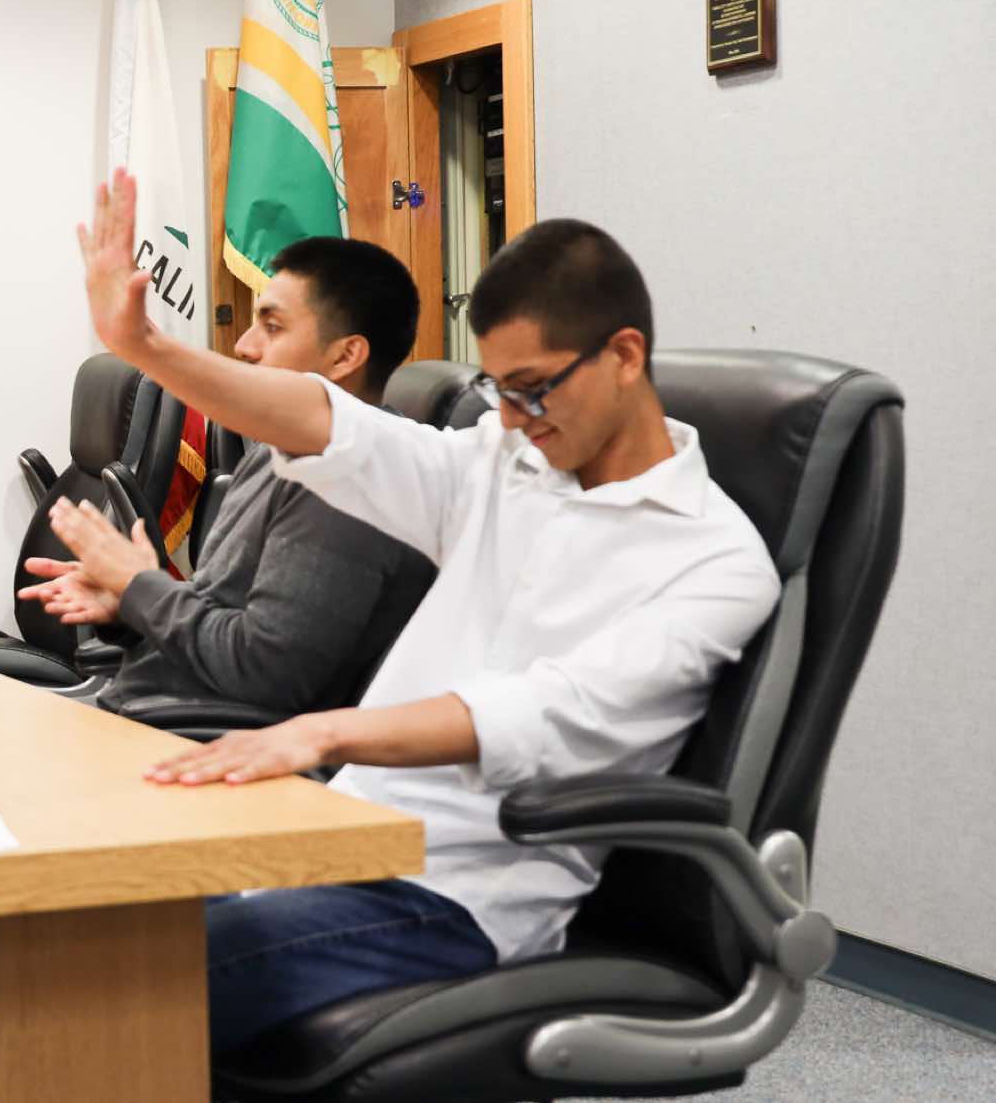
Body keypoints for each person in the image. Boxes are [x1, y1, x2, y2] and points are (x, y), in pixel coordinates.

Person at [76, 172, 779, 1052]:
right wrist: (145, 346)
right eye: (498, 390)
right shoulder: (506, 463)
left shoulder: (715, 559)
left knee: (116, 991)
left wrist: (326, 733)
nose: (513, 420)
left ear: (626, 356)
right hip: (342, 839)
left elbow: (548, 712)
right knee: (71, 926)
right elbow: (333, 424)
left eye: (534, 389)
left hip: (460, 897)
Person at [17, 236, 435, 718]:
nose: (243, 345)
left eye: (272, 327)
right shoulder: (276, 448)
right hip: (146, 710)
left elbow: (266, 676)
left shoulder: (352, 479)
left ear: (345, 357)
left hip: (195, 739)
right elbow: (215, 615)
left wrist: (140, 586)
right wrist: (128, 606)